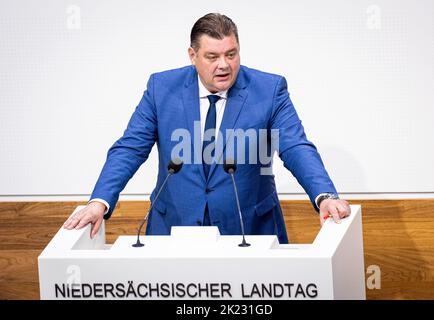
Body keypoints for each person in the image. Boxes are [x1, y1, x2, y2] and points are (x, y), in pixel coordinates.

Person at [64, 13, 350, 243]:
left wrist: (324, 195)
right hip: (174, 228)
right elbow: (130, 147)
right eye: (212, 57)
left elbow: (295, 146)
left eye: (232, 54)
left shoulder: (269, 90)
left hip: (249, 231)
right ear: (192, 55)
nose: (224, 65)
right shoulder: (161, 89)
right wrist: (99, 201)